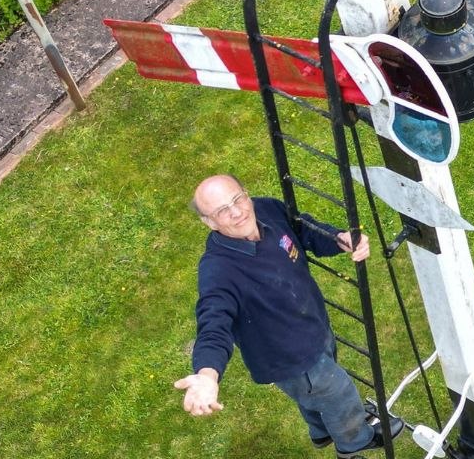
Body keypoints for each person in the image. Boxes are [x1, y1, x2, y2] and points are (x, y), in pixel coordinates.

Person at [173, 174, 404, 457]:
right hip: (290, 359)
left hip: (314, 327)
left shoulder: (268, 209)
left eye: (237, 198)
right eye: (222, 210)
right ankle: (354, 441)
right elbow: (213, 324)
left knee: (314, 394)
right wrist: (207, 375)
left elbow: (303, 230)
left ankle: (321, 431)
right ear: (209, 222)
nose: (237, 212)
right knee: (339, 392)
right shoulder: (218, 271)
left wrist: (338, 239)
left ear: (246, 193)